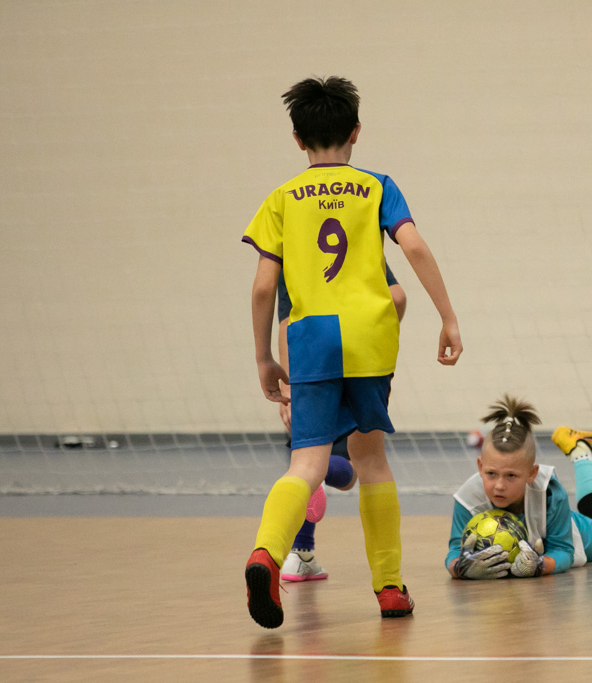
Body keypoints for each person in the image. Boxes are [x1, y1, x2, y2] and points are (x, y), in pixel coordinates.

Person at [242, 76, 462, 627]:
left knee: (307, 464)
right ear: (356, 132)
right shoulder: (377, 186)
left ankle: (266, 554)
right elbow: (413, 246)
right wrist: (448, 316)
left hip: (310, 340)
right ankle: (389, 589)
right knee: (371, 461)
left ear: (298, 140)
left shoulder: (280, 199)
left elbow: (264, 288)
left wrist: (264, 357)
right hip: (369, 336)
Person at [275, 266, 406, 582]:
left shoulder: (292, 244)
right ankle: (388, 583)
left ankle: (299, 554)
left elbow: (286, 322)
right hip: (360, 358)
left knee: (305, 465)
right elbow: (397, 297)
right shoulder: (359, 238)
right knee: (359, 465)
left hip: (312, 364)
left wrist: (288, 389)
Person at [445, 395, 592, 579]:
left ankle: (581, 453)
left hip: (569, 530)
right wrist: (461, 568)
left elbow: (563, 550)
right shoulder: (467, 499)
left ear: (532, 473)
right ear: (480, 466)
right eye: (491, 473)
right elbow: (454, 551)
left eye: (511, 476)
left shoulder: (550, 494)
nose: (499, 486)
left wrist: (540, 566)